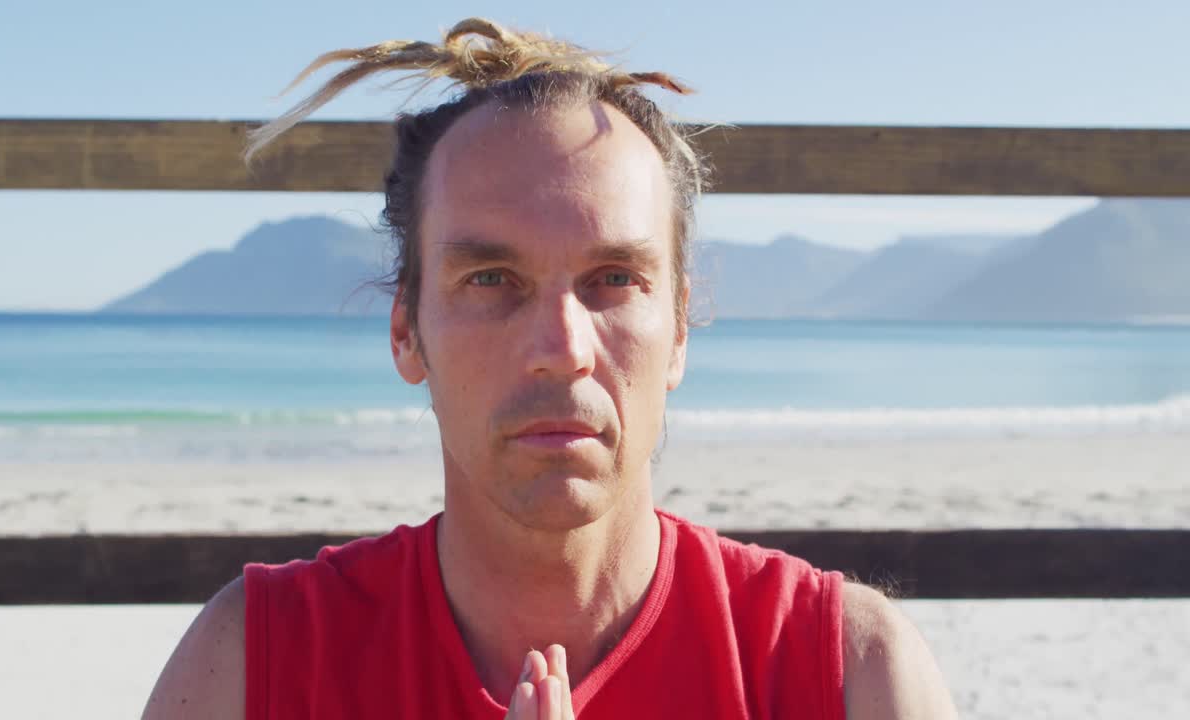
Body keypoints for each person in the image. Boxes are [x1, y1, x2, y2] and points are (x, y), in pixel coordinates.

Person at [142, 18, 957, 720]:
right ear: (406, 332)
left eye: (613, 281)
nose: (562, 346)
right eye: (492, 280)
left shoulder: (846, 671)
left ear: (678, 331)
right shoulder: (257, 663)